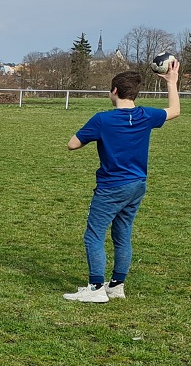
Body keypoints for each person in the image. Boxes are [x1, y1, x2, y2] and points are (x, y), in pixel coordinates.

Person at [63, 61, 180, 302]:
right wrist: (172, 82)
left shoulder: (102, 120)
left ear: (114, 91)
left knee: (93, 235)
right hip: (137, 184)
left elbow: (72, 144)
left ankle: (96, 289)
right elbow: (174, 110)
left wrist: (90, 137)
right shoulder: (146, 115)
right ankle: (116, 285)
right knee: (122, 233)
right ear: (134, 93)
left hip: (111, 187)